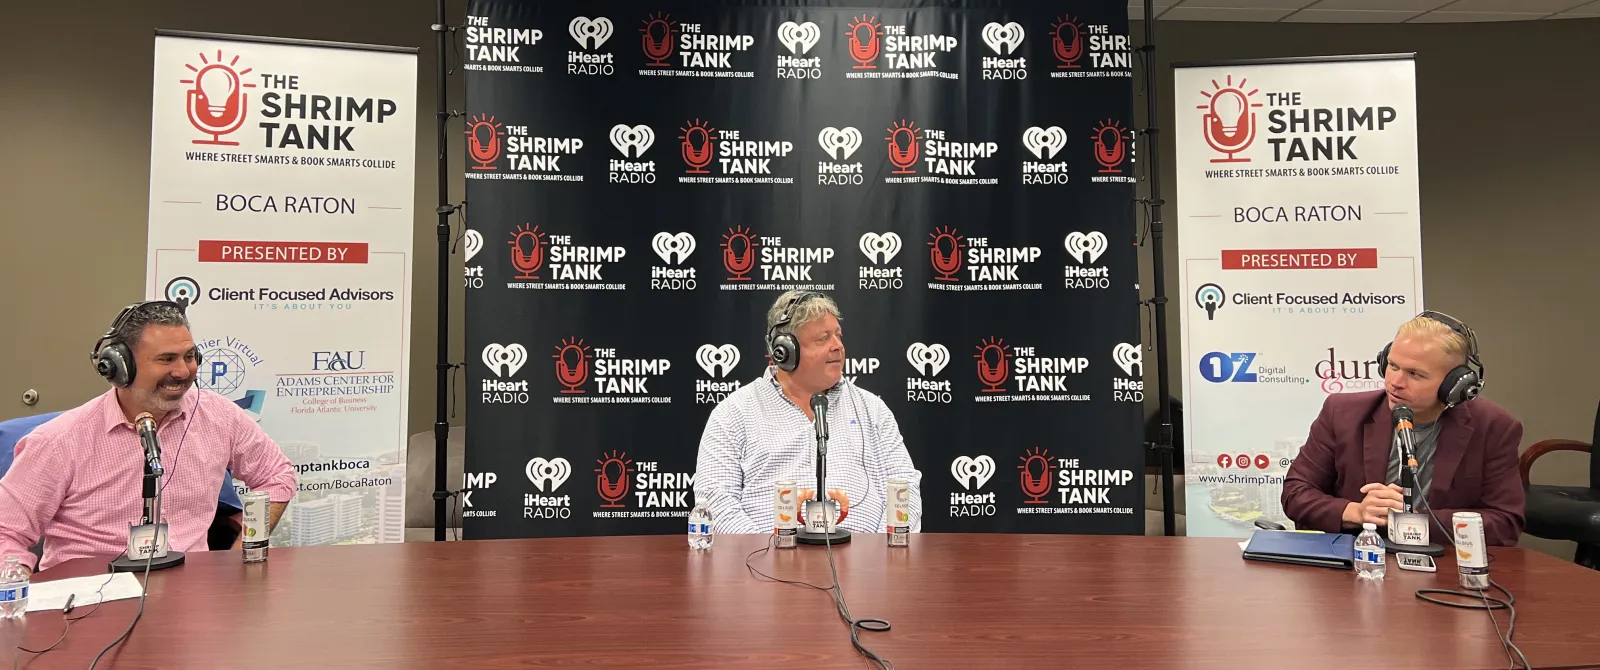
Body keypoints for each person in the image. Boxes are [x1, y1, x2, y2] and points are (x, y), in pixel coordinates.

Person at [0, 301, 298, 573]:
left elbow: (277, 476)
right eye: (166, 359)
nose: (183, 371)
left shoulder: (219, 415)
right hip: (91, 601)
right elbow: (6, 533)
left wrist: (240, 555)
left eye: (190, 356)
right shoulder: (58, 441)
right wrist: (21, 594)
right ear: (119, 367)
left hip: (192, 597)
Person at [1281, 311, 1525, 546]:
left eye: (1415, 374)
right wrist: (1358, 511)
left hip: (1443, 566)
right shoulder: (1343, 413)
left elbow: (1505, 522)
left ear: (1454, 385)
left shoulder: (1494, 427)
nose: (1395, 383)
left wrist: (1413, 520)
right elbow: (1296, 493)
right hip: (1357, 559)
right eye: (1393, 366)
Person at [693, 290, 923, 534]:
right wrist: (766, 559)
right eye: (823, 339)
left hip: (865, 567)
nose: (838, 347)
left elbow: (904, 489)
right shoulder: (734, 413)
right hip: (762, 566)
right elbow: (714, 501)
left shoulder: (873, 410)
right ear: (785, 351)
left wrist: (878, 559)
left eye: (838, 336)